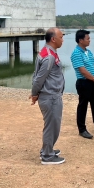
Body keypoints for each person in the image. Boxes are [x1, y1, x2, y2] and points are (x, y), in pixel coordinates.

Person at [30, 27, 65, 165]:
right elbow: (39, 78)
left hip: (50, 95)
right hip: (50, 97)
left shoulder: (47, 52)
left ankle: (47, 149)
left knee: (51, 125)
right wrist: (34, 94)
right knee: (52, 126)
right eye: (61, 37)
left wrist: (36, 93)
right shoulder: (49, 56)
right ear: (53, 39)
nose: (63, 40)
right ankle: (47, 156)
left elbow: (36, 74)